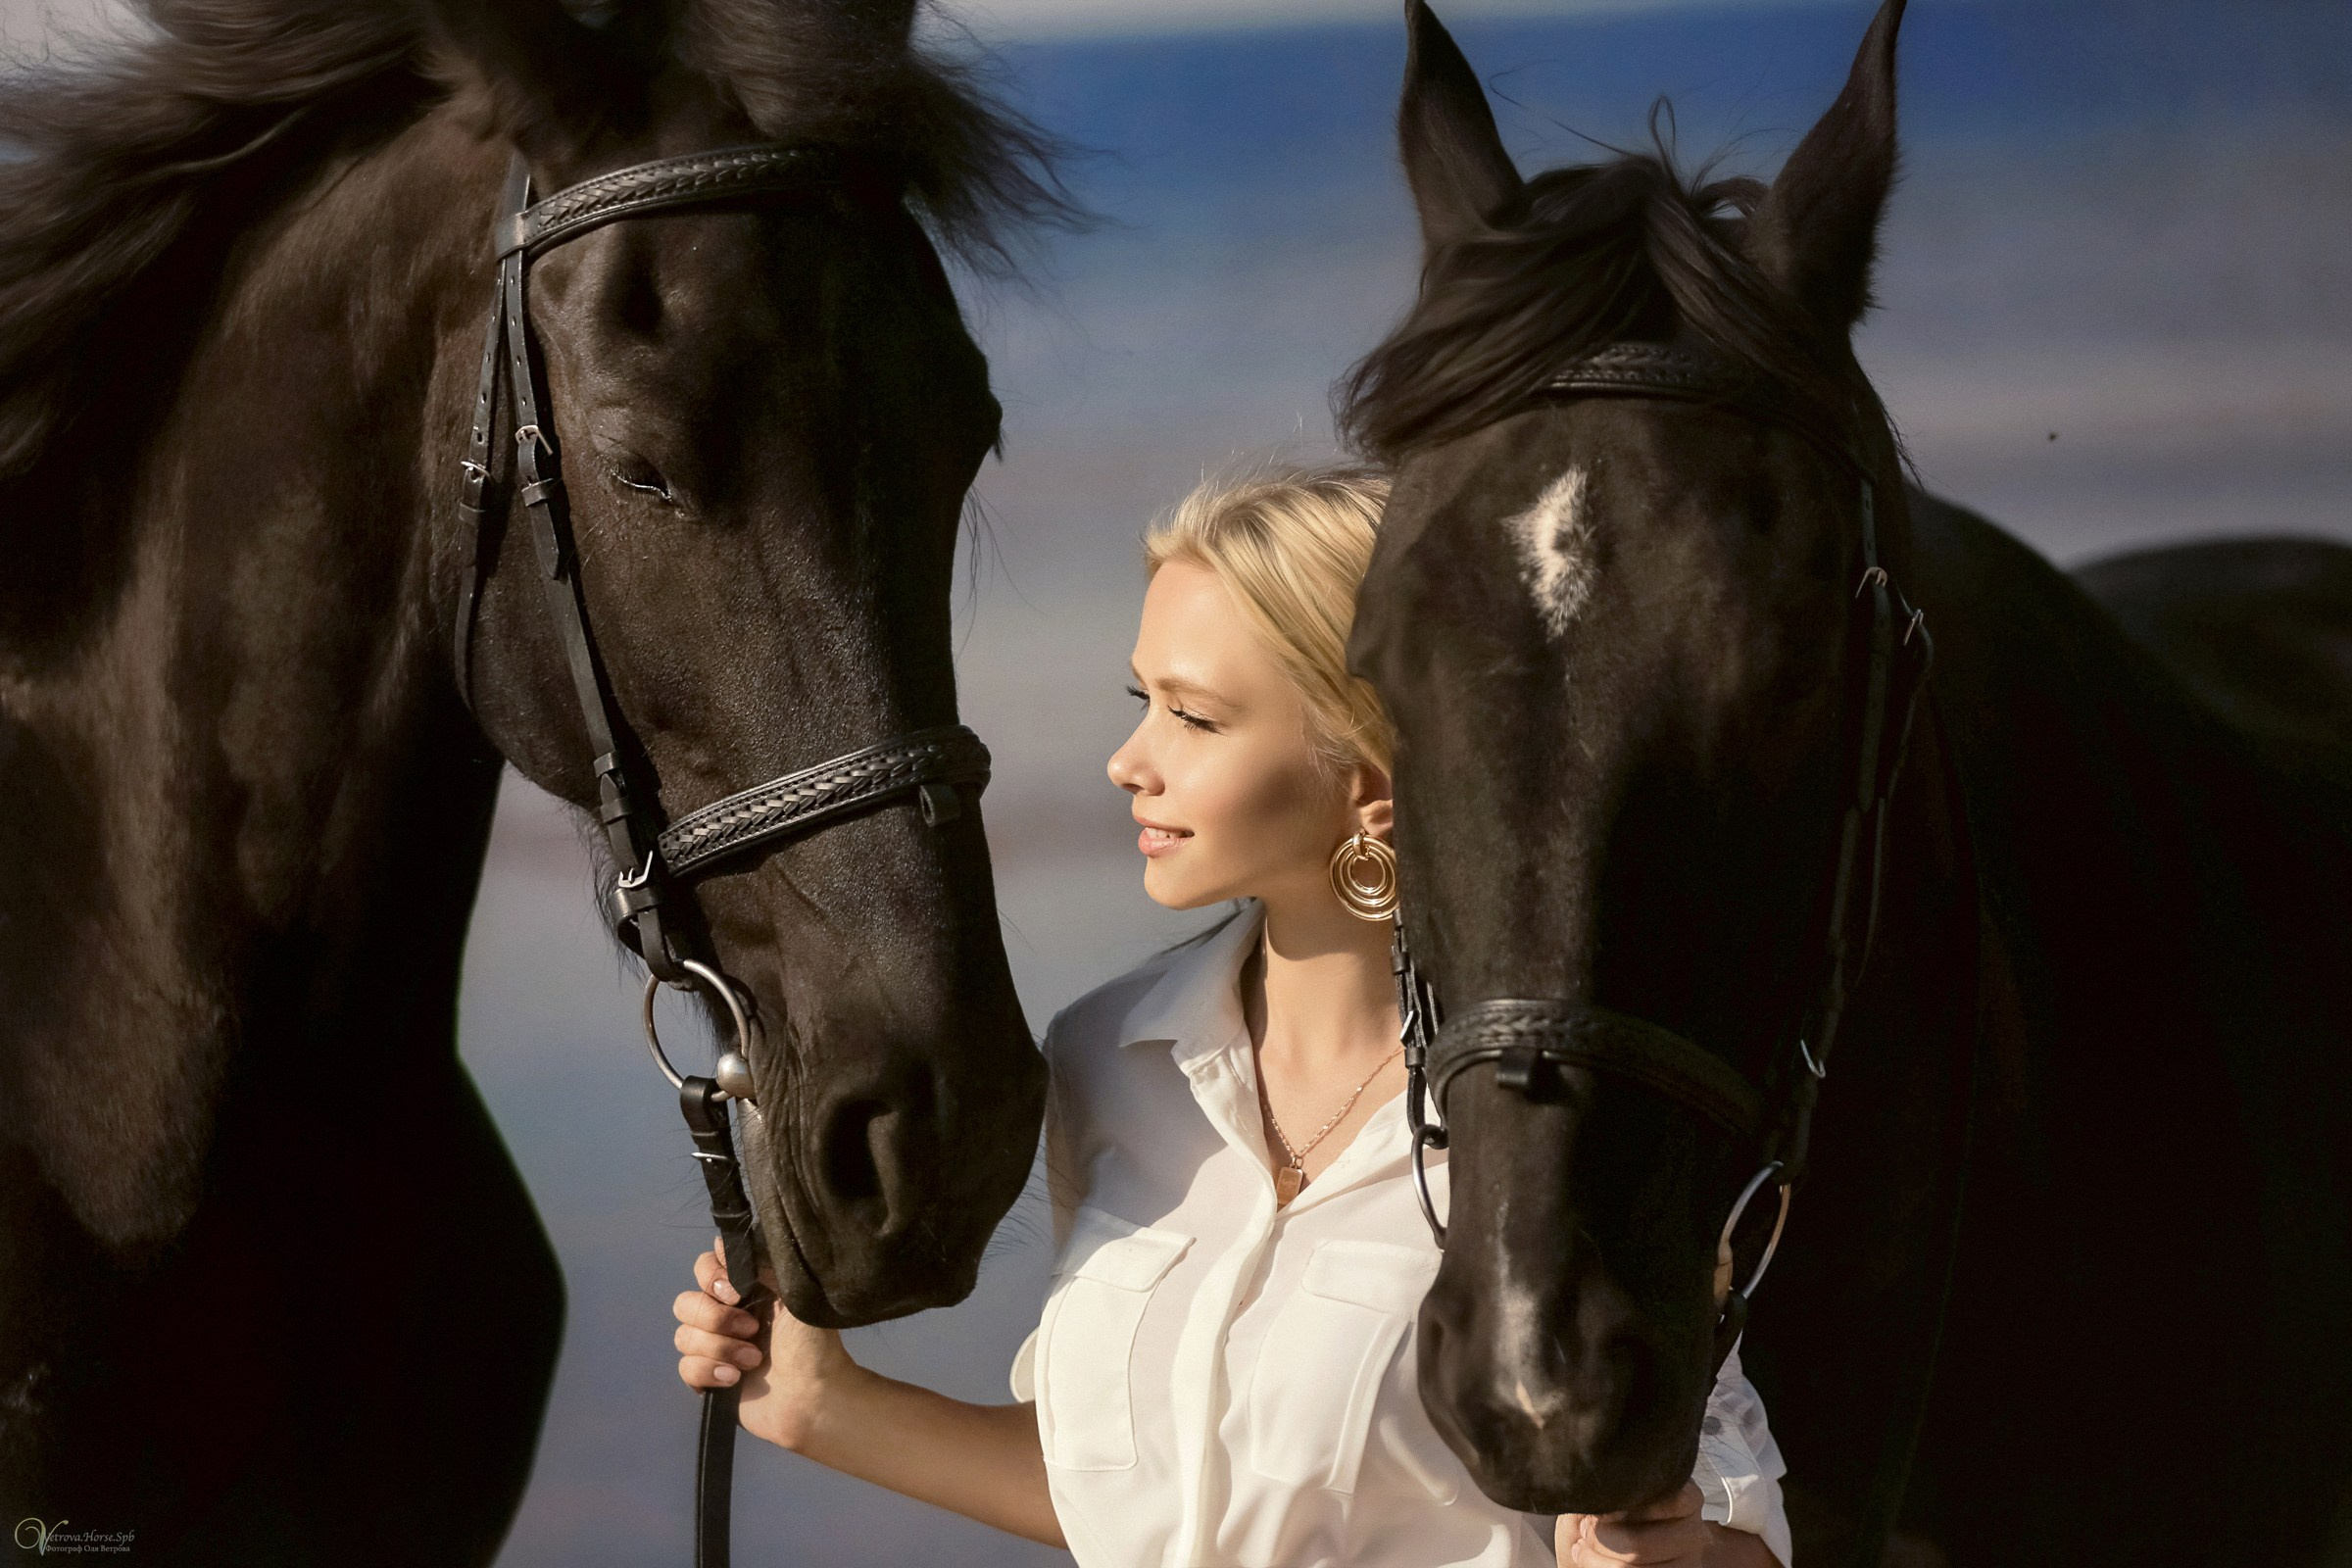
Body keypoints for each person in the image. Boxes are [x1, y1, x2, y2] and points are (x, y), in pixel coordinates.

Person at [670, 465, 1792, 1567]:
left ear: (1371, 781)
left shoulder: (1564, 1121)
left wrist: (1669, 1554)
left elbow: (1729, 1527)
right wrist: (821, 1402)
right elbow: (1137, 1500)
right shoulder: (1105, 1059)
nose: (1128, 762)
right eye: (1142, 702)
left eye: (1195, 718)